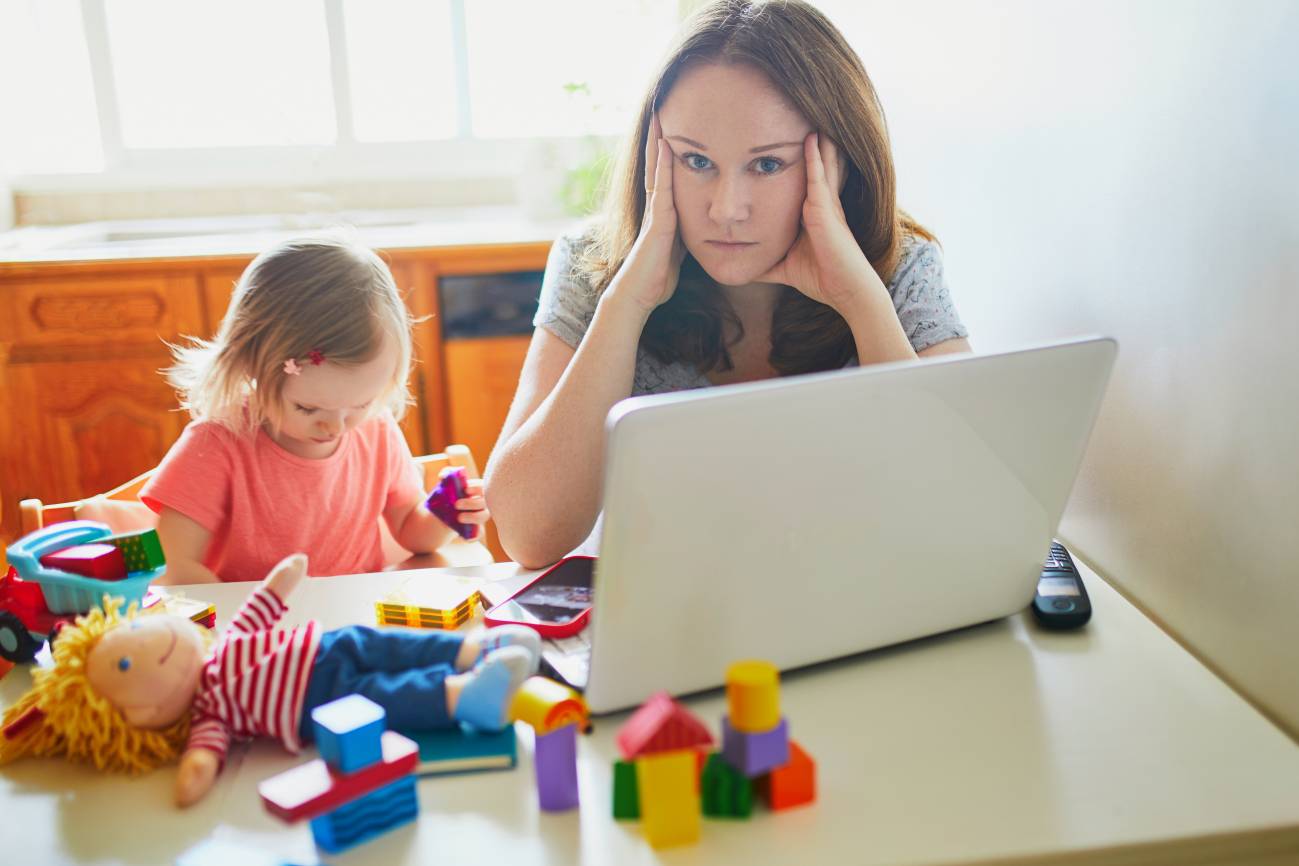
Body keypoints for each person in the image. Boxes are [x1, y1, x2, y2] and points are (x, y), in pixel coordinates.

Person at [486, 0, 972, 568]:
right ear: (653, 155)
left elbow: (960, 503)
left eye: (767, 165)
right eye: (695, 161)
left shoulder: (900, 266)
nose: (726, 209)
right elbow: (526, 534)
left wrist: (859, 300)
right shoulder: (590, 266)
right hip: (665, 627)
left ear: (841, 164)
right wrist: (628, 302)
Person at [0, 553, 542, 808]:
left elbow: (256, 613)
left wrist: (282, 582)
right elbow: (203, 758)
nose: (154, 637)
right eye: (127, 664)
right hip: (317, 701)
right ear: (135, 718)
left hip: (327, 643)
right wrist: (192, 772)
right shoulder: (210, 713)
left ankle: (478, 647)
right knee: (386, 699)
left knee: (391, 643)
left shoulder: (224, 645)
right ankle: (468, 697)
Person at [139, 233, 490, 583]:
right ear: (251, 364)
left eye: (360, 404)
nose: (336, 427)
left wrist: (446, 514)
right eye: (308, 408)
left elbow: (411, 533)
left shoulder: (376, 428)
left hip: (356, 622)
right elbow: (173, 564)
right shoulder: (217, 442)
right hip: (260, 632)